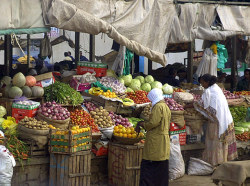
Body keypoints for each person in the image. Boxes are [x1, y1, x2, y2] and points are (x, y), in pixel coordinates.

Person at [194, 74, 237, 166]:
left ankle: (215, 163)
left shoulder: (209, 91)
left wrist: (192, 105)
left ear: (207, 82)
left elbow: (204, 105)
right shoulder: (216, 88)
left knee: (215, 143)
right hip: (225, 119)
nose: (201, 84)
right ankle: (223, 162)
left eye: (202, 82)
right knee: (222, 143)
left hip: (217, 122)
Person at [136, 88, 171, 186]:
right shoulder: (165, 106)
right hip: (163, 139)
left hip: (156, 140)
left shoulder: (158, 107)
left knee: (150, 163)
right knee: (162, 164)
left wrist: (142, 124)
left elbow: (153, 123)